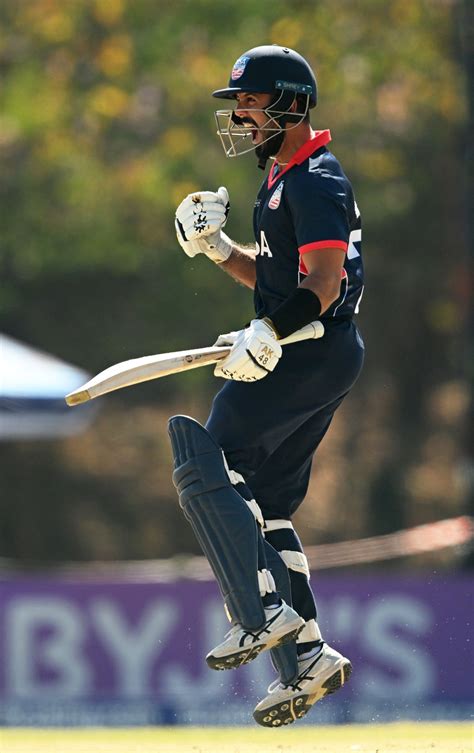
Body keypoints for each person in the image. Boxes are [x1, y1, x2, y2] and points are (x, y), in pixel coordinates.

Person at [168, 44, 365, 727]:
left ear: (288, 102)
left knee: (207, 459)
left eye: (250, 103)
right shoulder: (284, 178)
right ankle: (308, 658)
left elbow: (325, 284)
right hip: (313, 348)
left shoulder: (314, 179)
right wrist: (220, 251)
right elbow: (280, 279)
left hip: (312, 349)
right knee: (268, 502)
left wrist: (270, 334)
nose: (242, 117)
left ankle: (259, 611)